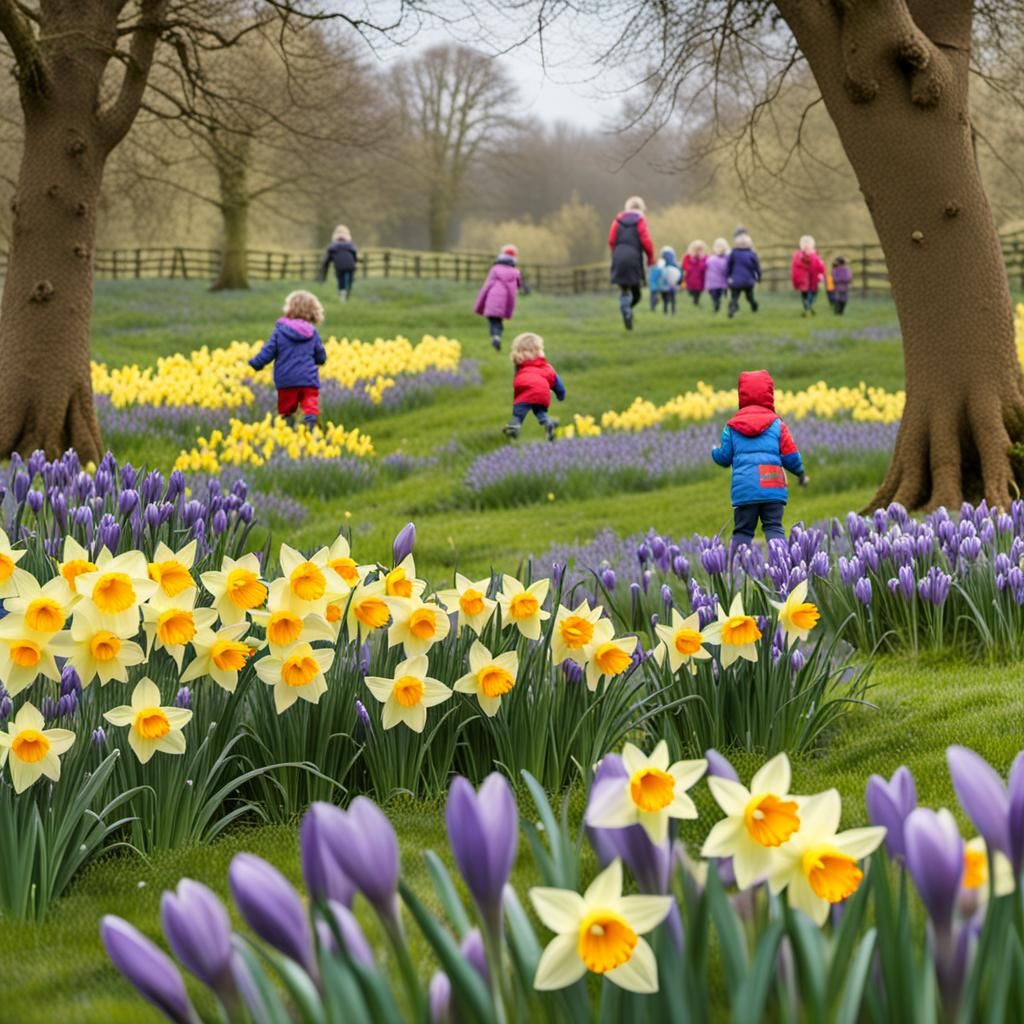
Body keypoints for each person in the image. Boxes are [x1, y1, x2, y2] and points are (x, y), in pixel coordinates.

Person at [711, 369, 808, 547]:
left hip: (745, 489)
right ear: (769, 395)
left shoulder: (731, 427)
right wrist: (800, 473)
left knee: (742, 531)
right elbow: (791, 456)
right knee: (774, 527)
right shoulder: (778, 424)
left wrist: (714, 452)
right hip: (772, 485)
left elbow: (724, 457)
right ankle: (781, 562)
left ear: (742, 396)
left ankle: (737, 563)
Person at [248, 291, 327, 429]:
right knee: (310, 402)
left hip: (286, 380)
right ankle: (310, 421)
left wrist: (256, 363)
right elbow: (320, 355)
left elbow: (268, 351)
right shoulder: (312, 333)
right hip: (308, 379)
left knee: (287, 409)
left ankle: (288, 429)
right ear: (313, 311)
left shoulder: (280, 332)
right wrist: (320, 360)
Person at [502, 332, 565, 442]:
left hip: (525, 391)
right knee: (539, 409)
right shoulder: (546, 367)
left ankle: (514, 426)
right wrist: (561, 394)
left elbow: (518, 384)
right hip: (542, 392)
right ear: (538, 352)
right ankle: (547, 422)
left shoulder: (520, 367)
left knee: (519, 411)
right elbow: (556, 381)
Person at [608, 196, 655, 330]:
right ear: (641, 209)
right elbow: (646, 241)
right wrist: (650, 258)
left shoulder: (617, 221)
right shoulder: (640, 221)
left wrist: (616, 254)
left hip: (619, 255)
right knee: (637, 294)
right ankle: (628, 310)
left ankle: (625, 309)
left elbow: (611, 240)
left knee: (624, 290)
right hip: (634, 257)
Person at [474, 244, 529, 351]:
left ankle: (495, 336)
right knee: (498, 320)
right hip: (505, 301)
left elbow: (487, 286)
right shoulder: (515, 272)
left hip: (492, 299)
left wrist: (480, 303)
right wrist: (525, 289)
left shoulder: (495, 269)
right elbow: (519, 284)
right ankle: (497, 336)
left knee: (493, 321)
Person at [726, 232, 761, 317]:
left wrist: (728, 276)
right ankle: (754, 305)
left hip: (736, 281)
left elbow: (729, 266)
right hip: (748, 281)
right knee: (749, 297)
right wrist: (758, 277)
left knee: (734, 297)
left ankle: (733, 308)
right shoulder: (752, 254)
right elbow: (757, 267)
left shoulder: (733, 253)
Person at [790, 235, 827, 316]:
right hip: (809, 280)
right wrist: (821, 273)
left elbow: (794, 269)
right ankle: (808, 306)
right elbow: (819, 267)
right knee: (811, 294)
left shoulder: (798, 256)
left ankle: (807, 307)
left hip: (805, 280)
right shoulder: (813, 256)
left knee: (806, 295)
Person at [320, 225, 358, 301]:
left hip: (339, 266)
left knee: (341, 279)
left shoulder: (333, 245)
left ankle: (342, 296)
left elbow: (327, 258)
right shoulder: (350, 244)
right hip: (351, 265)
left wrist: (324, 271)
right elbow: (354, 254)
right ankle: (347, 294)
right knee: (349, 280)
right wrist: (355, 262)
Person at [705, 238, 730, 313]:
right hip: (718, 282)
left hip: (713, 283)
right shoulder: (726, 259)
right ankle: (717, 304)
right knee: (717, 295)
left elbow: (705, 267)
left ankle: (716, 305)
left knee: (715, 295)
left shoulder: (711, 259)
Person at [682, 240, 708, 306]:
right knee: (691, 290)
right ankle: (695, 299)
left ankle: (696, 301)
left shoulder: (704, 258)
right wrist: (690, 268)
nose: (698, 251)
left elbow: (704, 267)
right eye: (696, 249)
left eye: (700, 249)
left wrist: (701, 259)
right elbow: (684, 265)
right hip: (690, 278)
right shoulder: (688, 257)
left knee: (698, 291)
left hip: (700, 278)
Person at [658, 246, 682, 314]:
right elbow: (680, 274)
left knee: (665, 299)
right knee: (672, 298)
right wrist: (679, 282)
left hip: (664, 285)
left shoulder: (661, 263)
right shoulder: (675, 264)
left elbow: (659, 274)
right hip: (673, 285)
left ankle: (665, 311)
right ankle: (673, 311)